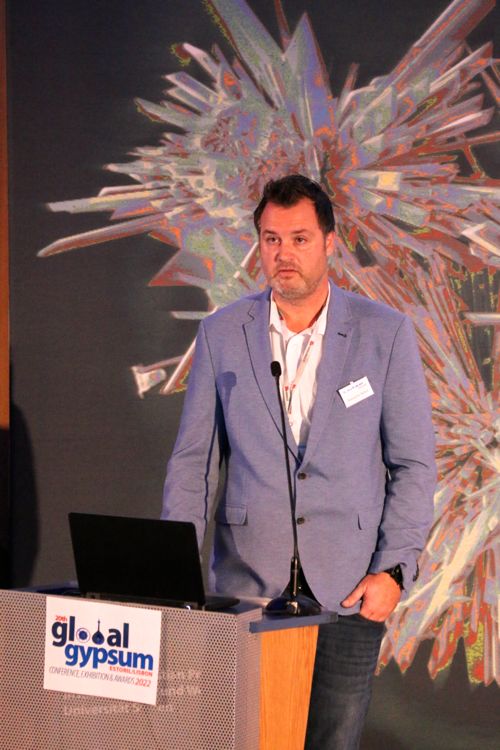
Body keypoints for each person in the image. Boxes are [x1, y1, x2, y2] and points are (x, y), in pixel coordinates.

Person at [162, 174, 436, 749]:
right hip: (247, 588)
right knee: (246, 738)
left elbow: (413, 465)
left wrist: (394, 570)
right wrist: (173, 576)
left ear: (330, 243)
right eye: (271, 239)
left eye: (299, 238)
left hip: (349, 589)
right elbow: (193, 465)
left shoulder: (384, 334)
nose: (283, 253)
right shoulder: (221, 334)